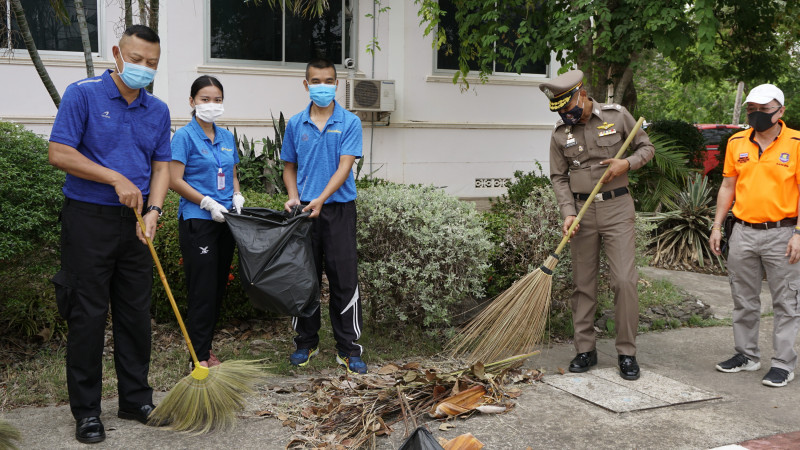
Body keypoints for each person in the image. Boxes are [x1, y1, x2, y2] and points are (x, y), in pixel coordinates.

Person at [47, 25, 170, 444]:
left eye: (151, 63)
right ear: (117, 53)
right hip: (88, 220)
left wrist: (154, 210)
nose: (143, 69)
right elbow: (59, 152)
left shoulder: (158, 109)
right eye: (136, 60)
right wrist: (113, 176)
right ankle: (86, 412)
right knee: (88, 316)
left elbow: (160, 167)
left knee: (135, 315)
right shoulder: (82, 93)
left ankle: (136, 399)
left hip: (135, 222)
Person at [539, 69, 654, 381]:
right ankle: (585, 349)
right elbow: (559, 177)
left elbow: (646, 148)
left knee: (624, 281)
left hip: (617, 208)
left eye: (569, 106)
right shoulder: (560, 133)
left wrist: (625, 163)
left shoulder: (617, 117)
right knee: (583, 284)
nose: (566, 113)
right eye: (560, 110)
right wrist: (567, 212)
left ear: (583, 94)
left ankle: (627, 353)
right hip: (581, 213)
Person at [709, 84, 800, 388]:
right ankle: (746, 355)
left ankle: (783, 364)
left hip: (783, 233)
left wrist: (799, 233)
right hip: (744, 232)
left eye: (764, 109)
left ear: (780, 111)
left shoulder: (797, 142)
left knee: (786, 302)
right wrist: (717, 225)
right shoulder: (737, 142)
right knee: (743, 299)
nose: (757, 114)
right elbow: (727, 187)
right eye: (752, 109)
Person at [281, 57, 366, 374]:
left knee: (344, 279)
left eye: (328, 80)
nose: (322, 86)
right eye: (315, 81)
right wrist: (294, 198)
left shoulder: (350, 122)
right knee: (304, 280)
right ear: (306, 85)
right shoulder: (294, 124)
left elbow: (345, 166)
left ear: (337, 84)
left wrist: (321, 198)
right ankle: (306, 343)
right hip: (304, 211)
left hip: (339, 209)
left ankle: (349, 349)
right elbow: (289, 166)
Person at [169, 75, 242, 370]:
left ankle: (205, 348)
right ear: (192, 102)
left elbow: (232, 172)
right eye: (205, 99)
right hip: (198, 220)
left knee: (217, 288)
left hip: (226, 220)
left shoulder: (226, 137)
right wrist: (206, 202)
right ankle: (197, 357)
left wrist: (237, 194)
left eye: (217, 100)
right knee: (202, 290)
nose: (212, 105)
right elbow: (174, 180)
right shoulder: (184, 137)